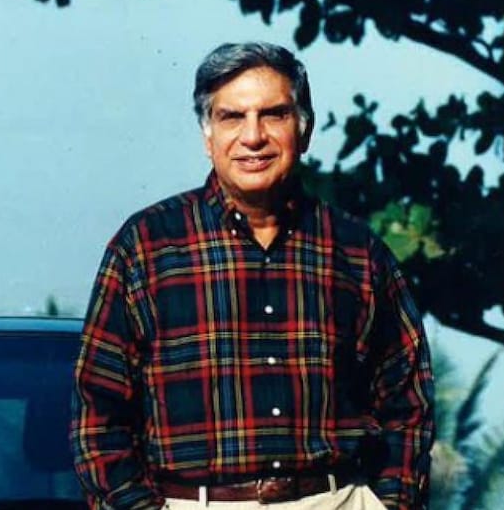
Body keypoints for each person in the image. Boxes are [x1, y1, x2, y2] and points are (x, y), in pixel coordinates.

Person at [70, 42, 433, 510]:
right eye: (232, 117)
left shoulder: (359, 252)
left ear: (304, 129)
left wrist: (391, 504)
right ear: (208, 137)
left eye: (273, 115)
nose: (253, 136)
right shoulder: (145, 248)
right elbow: (98, 413)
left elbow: (408, 402)